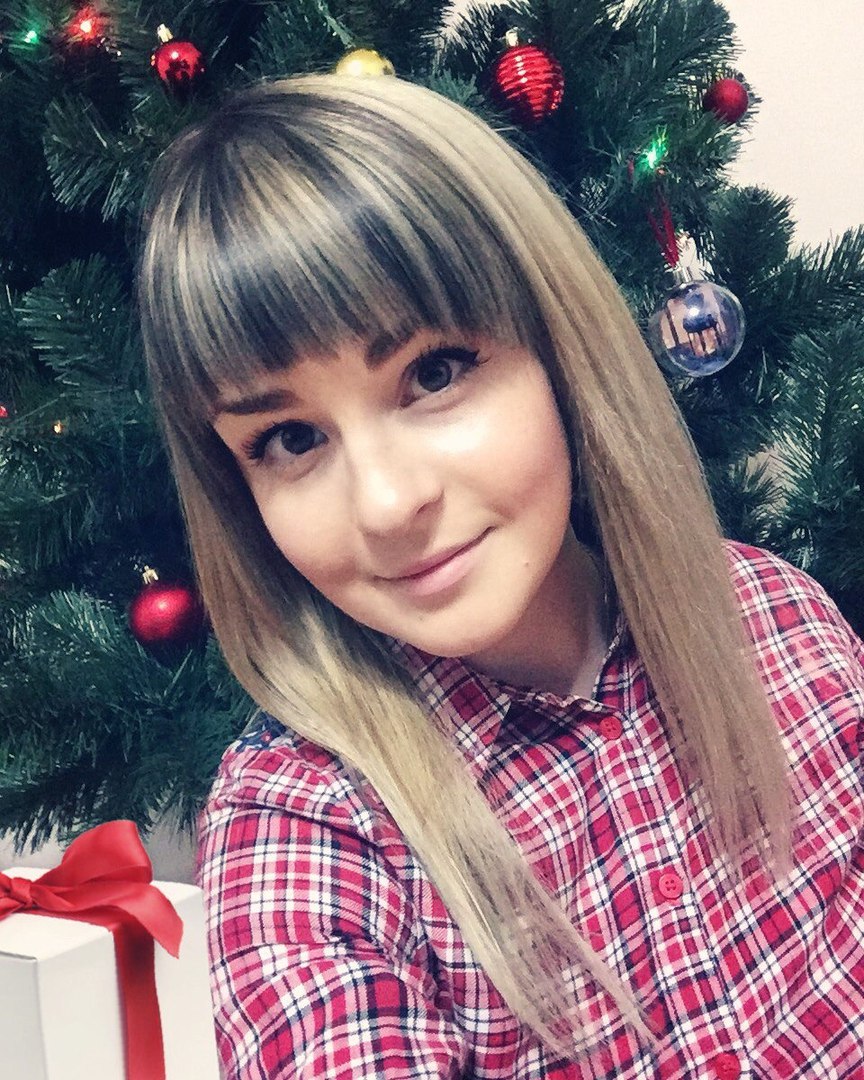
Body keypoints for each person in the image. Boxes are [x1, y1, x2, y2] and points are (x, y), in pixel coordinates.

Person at [136, 74, 864, 1079]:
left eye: (433, 372)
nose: (386, 503)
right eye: (291, 438)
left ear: (560, 349)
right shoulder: (305, 827)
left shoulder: (777, 618)